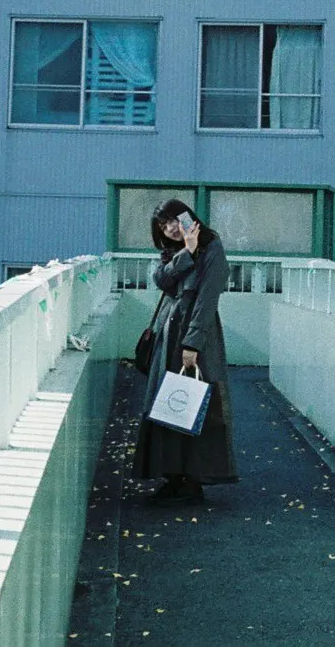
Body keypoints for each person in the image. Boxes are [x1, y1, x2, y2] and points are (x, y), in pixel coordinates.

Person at [135, 198, 238, 506]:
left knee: (194, 404)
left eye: (174, 221)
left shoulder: (213, 247)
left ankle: (192, 479)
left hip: (196, 337)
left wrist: (192, 344)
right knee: (169, 403)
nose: (170, 229)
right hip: (169, 335)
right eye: (164, 226)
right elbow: (161, 280)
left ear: (187, 218)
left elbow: (207, 299)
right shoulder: (177, 252)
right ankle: (173, 476)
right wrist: (187, 251)